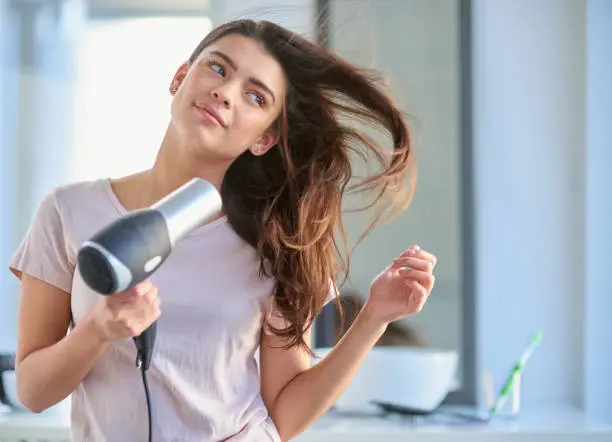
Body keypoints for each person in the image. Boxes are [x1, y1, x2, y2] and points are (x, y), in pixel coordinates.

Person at [8, 19, 437, 442]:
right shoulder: (69, 211)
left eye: (255, 95)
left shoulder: (276, 244)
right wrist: (98, 329)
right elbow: (33, 392)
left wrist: (374, 318)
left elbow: (285, 414)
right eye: (218, 68)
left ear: (264, 140)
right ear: (180, 78)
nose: (225, 92)